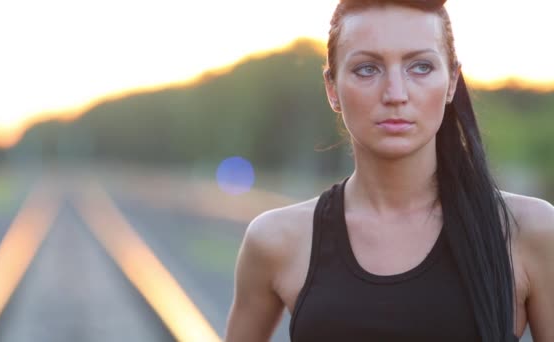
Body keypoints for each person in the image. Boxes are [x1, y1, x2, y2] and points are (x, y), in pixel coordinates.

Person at [224, 0, 554, 341]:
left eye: (421, 67)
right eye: (368, 69)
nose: (396, 94)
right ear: (332, 89)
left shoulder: (529, 231)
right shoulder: (277, 240)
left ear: (452, 81)